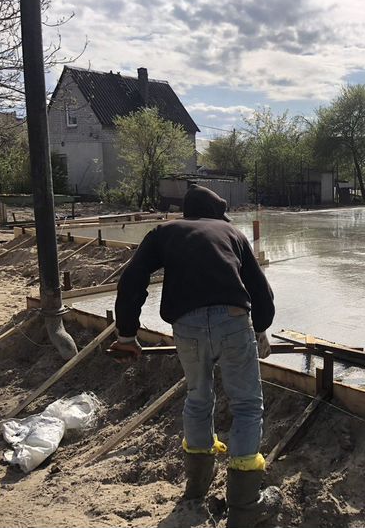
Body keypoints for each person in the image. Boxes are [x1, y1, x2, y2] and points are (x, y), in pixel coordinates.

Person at [110, 184, 279, 528]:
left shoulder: (165, 232)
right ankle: (245, 506)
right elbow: (260, 288)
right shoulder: (232, 233)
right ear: (217, 213)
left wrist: (127, 334)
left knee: (198, 399)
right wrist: (261, 328)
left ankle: (196, 491)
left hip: (186, 325)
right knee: (247, 405)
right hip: (233, 322)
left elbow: (132, 279)